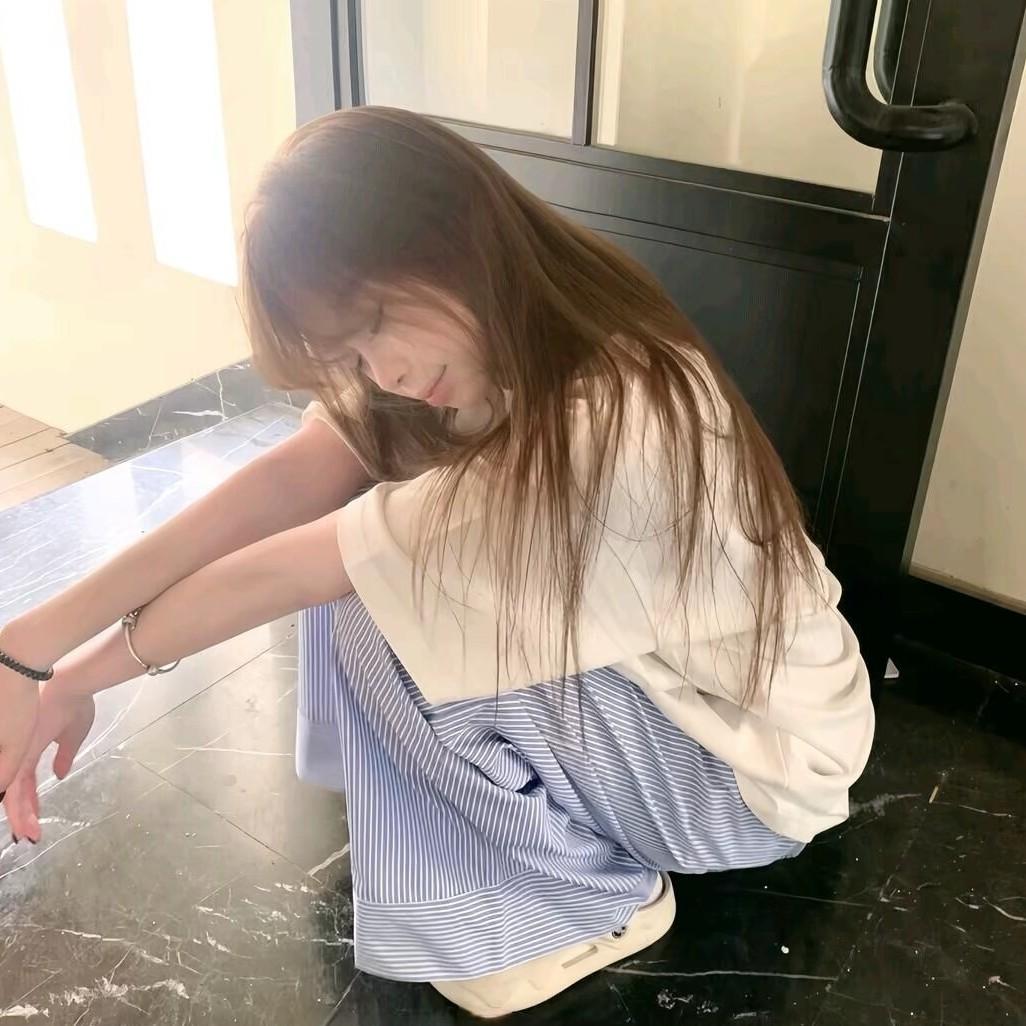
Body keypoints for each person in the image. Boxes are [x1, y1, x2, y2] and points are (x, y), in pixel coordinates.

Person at [0, 107, 874, 1018]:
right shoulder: (510, 340)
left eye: (376, 323)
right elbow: (289, 478)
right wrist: (32, 648)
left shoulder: (615, 424)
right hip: (697, 705)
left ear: (457, 236)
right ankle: (470, 822)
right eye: (351, 352)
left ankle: (596, 902)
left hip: (750, 775)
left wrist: (71, 676)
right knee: (372, 547)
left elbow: (293, 570)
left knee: (378, 592)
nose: (382, 372)